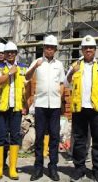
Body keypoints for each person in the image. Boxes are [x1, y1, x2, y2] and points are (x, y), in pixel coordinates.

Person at [67, 35, 98, 182]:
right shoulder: (75, 65)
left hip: (96, 108)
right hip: (80, 108)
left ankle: (97, 170)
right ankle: (79, 168)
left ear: (95, 50)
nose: (88, 50)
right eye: (86, 48)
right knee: (79, 140)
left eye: (91, 47)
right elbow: (66, 83)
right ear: (82, 50)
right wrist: (73, 71)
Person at [25, 35, 65, 181]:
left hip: (54, 106)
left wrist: (59, 98)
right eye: (47, 47)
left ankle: (53, 167)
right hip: (40, 105)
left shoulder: (59, 65)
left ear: (55, 50)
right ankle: (38, 168)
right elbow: (27, 77)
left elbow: (62, 83)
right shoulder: (37, 62)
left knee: (54, 137)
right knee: (39, 137)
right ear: (44, 48)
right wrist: (35, 66)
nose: (49, 49)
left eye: (52, 48)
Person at [0, 41, 27, 180]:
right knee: (0, 137)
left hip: (16, 108)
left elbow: (28, 85)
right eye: (8, 52)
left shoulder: (23, 68)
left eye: (13, 52)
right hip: (1, 109)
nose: (10, 54)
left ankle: (12, 169)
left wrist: (27, 103)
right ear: (4, 55)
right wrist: (9, 74)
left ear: (16, 54)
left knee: (15, 137)